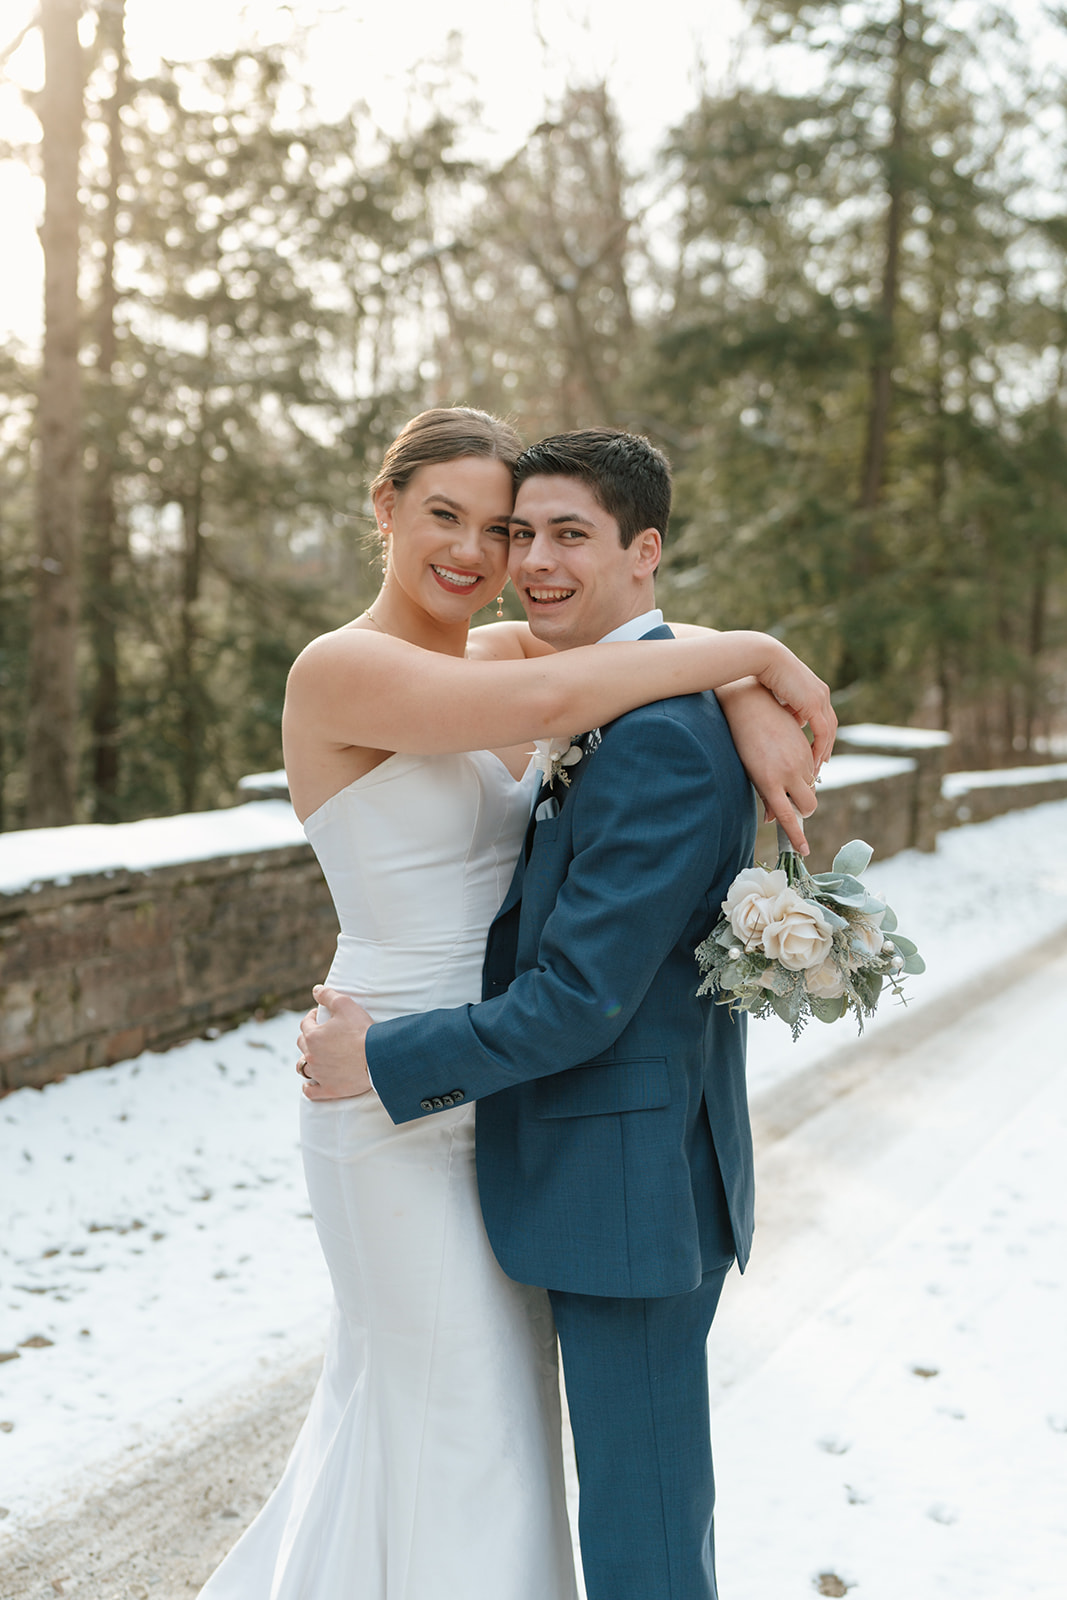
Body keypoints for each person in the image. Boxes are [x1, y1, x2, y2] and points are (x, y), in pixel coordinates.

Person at [202, 408, 833, 1600]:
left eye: (498, 528)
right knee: (451, 1416)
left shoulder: (497, 656)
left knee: (485, 1427)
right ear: (381, 508)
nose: (481, 552)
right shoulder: (343, 668)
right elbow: (616, 668)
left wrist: (742, 683)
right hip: (382, 1068)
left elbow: (630, 654)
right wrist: (753, 652)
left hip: (498, 1086)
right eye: (447, 515)